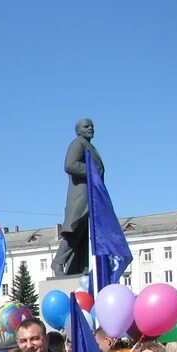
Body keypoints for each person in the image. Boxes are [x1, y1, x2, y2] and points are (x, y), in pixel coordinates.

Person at [52, 117, 104, 277]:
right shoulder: (78, 143)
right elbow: (70, 165)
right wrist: (91, 170)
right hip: (80, 195)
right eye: (86, 126)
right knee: (74, 229)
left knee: (84, 232)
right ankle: (58, 262)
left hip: (91, 195)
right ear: (78, 131)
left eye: (92, 126)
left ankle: (80, 268)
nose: (91, 128)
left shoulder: (90, 146)